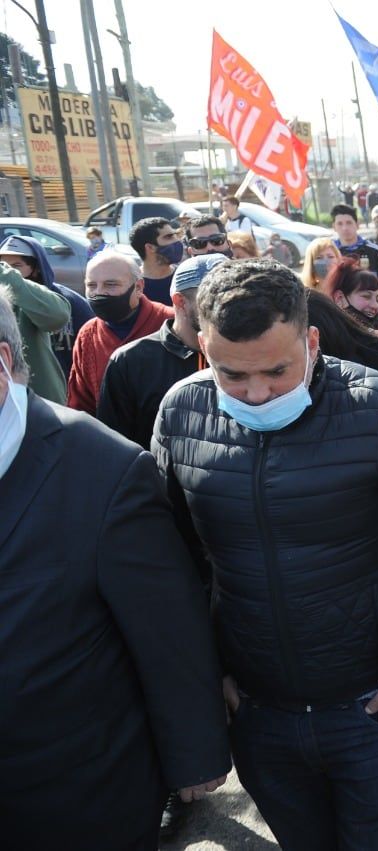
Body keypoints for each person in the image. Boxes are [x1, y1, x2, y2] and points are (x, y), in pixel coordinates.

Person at [153, 258, 378, 850]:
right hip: (259, 715)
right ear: (203, 345)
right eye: (233, 375)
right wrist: (210, 675)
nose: (256, 393)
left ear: (310, 340)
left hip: (373, 709)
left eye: (277, 372)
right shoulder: (181, 412)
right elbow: (173, 561)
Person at [0, 289, 231, 850]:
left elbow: (165, 627)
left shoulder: (100, 466)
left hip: (74, 790)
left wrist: (195, 757)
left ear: (3, 362)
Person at [97, 254, 224, 449]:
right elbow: (114, 446)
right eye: (216, 299)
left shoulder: (250, 353)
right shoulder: (130, 361)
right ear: (180, 301)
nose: (228, 307)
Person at [68, 251, 173, 415]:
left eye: (111, 285)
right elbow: (81, 402)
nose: (99, 293)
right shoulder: (88, 335)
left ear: (138, 287)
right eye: (91, 286)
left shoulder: (171, 323)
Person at [0, 238, 74, 402]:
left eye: (16, 266)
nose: (9, 270)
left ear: (35, 269)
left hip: (39, 402)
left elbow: (58, 316)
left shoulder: (37, 298)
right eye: (4, 265)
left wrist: (6, 276)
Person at [326, 258, 378, 335]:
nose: (375, 306)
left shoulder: (377, 336)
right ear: (339, 298)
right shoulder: (328, 337)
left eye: (377, 299)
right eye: (366, 296)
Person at [130, 216, 186, 307]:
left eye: (175, 235)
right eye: (169, 237)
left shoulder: (185, 277)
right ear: (150, 247)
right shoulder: (133, 287)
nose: (177, 240)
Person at [331, 203, 378, 277]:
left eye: (349, 223)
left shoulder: (374, 251)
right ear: (334, 227)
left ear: (357, 224)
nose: (345, 228)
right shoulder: (329, 253)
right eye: (340, 224)